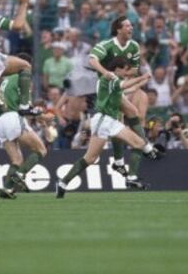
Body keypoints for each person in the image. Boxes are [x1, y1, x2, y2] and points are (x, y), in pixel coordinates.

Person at [56, 56, 160, 198]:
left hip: (111, 121)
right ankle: (63, 183)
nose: (126, 73)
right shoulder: (109, 78)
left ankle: (130, 178)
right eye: (125, 70)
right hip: (102, 121)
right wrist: (144, 76)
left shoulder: (113, 81)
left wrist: (144, 80)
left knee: (140, 143)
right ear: (116, 68)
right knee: (90, 158)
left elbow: (130, 88)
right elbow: (125, 86)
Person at [88, 16, 151, 187]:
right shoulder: (107, 45)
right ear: (118, 29)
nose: (131, 28)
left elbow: (135, 69)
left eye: (132, 25)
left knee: (131, 113)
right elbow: (92, 59)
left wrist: (128, 79)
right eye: (127, 25)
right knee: (124, 117)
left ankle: (120, 161)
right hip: (105, 87)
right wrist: (107, 73)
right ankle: (143, 148)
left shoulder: (134, 46)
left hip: (119, 85)